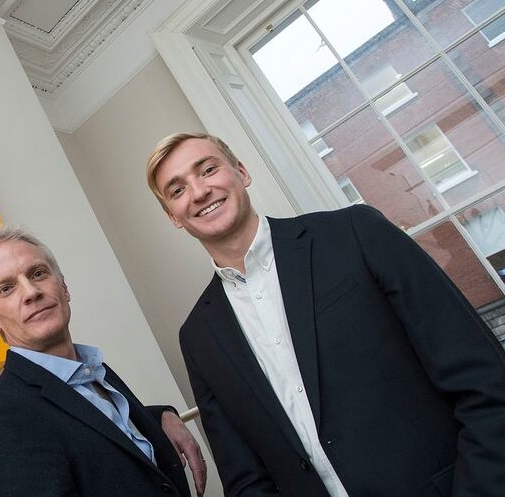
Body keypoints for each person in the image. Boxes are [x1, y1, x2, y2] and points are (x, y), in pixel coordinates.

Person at [145, 132, 505, 496]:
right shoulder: (198, 338)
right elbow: (246, 480)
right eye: (178, 190)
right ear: (173, 216)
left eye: (208, 169)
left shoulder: (355, 233)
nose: (199, 192)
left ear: (241, 172)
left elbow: (483, 378)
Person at [0, 225, 206, 496]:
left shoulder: (94, 373)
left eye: (38, 273)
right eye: (6, 288)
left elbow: (96, 435)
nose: (31, 292)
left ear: (64, 288)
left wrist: (159, 417)